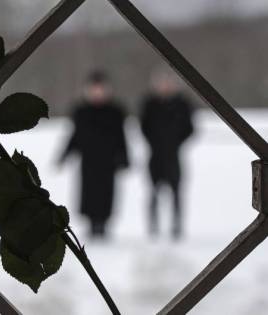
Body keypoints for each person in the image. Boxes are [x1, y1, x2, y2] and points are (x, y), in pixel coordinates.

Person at [59, 71, 129, 237]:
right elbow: (75, 137)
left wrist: (124, 158)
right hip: (89, 162)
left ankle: (103, 223)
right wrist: (64, 155)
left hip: (108, 162)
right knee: (89, 194)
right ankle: (92, 223)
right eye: (94, 89)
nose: (97, 92)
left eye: (101, 89)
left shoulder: (115, 112)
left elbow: (121, 138)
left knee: (106, 194)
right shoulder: (81, 112)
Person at [140, 69, 194, 240]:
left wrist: (176, 143)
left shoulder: (182, 104)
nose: (165, 86)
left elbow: (190, 128)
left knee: (176, 192)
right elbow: (144, 126)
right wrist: (154, 143)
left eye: (168, 83)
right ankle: (153, 226)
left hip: (173, 156)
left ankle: (176, 225)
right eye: (161, 83)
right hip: (155, 156)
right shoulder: (149, 104)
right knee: (153, 192)